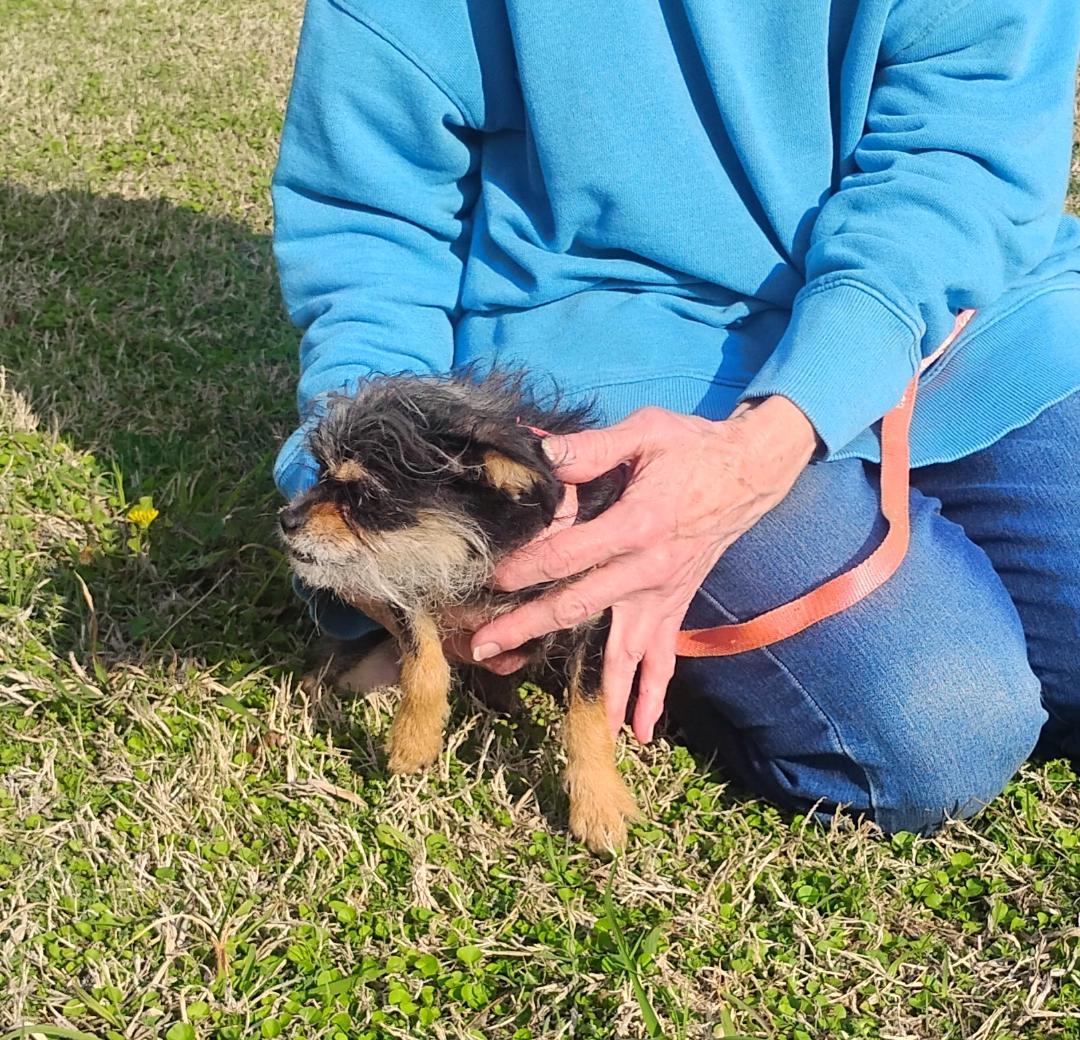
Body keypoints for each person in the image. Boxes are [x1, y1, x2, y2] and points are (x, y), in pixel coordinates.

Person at [272, 0, 1080, 835]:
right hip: (627, 373)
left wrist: (789, 419)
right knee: (939, 731)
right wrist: (372, 477)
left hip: (975, 316)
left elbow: (965, 145)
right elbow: (370, 217)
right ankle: (553, 616)